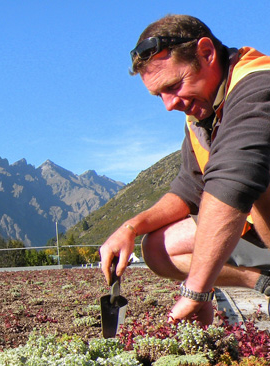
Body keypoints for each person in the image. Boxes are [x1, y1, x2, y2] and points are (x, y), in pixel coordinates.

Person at [100, 14, 270, 326]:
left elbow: (235, 180)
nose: (168, 104)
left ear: (207, 53)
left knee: (256, 176)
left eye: (174, 85)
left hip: (257, 213)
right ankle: (262, 280)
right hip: (259, 233)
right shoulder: (200, 116)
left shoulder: (259, 84)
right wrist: (129, 228)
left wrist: (196, 290)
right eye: (159, 95)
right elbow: (189, 190)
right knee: (156, 246)